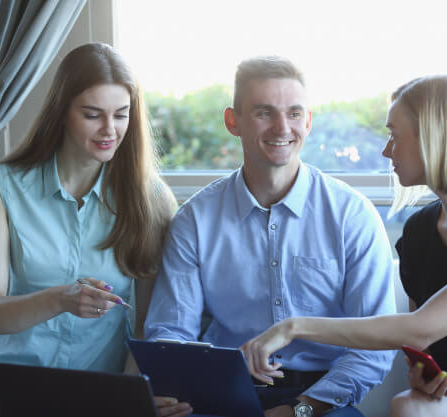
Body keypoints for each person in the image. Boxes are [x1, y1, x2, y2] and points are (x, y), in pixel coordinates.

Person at [241, 74, 447, 417]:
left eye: (394, 135)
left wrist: (292, 326)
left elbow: (422, 327)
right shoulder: (419, 232)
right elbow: (424, 346)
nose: (386, 150)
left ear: (436, 137)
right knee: (408, 404)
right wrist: (426, 377)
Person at [144, 56, 397, 417]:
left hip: (322, 400)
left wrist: (301, 409)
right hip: (221, 392)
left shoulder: (352, 216)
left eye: (294, 113)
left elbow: (377, 342)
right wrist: (180, 387)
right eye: (265, 112)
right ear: (234, 121)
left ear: (308, 121)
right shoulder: (195, 221)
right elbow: (170, 332)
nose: (282, 127)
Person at [0, 43, 191, 417]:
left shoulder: (153, 199)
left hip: (98, 391)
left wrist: (136, 397)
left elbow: (148, 325)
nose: (109, 130)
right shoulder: (2, 185)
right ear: (62, 112)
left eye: (121, 115)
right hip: (3, 380)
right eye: (92, 114)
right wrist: (58, 299)